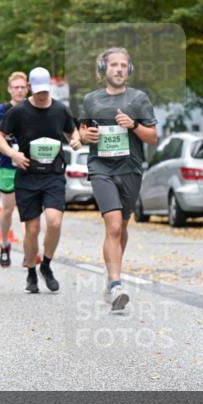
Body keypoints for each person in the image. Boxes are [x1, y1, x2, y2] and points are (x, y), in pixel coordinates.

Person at [79, 47, 158, 312]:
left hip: (130, 169)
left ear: (129, 69)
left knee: (122, 228)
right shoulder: (91, 100)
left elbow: (152, 137)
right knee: (112, 226)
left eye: (124, 65)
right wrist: (84, 138)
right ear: (104, 70)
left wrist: (134, 125)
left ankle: (112, 277)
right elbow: (81, 133)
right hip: (101, 167)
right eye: (114, 65)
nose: (119, 69)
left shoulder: (139, 99)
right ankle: (116, 285)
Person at [0, 66, 82, 294]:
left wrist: (75, 141)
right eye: (38, 91)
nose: (43, 96)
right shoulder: (19, 112)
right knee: (32, 229)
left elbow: (72, 132)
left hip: (53, 174)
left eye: (46, 91)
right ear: (32, 88)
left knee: (54, 222)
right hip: (28, 175)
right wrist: (13, 154)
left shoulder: (60, 109)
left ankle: (47, 265)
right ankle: (31, 271)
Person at [0, 71, 29, 267]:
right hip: (6, 165)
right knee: (8, 209)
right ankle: (4, 244)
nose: (19, 90)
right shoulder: (0, 111)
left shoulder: (33, 108)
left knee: (30, 211)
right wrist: (3, 142)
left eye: (22, 87)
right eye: (16, 87)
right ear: (10, 89)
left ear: (28, 88)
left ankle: (30, 250)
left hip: (29, 165)